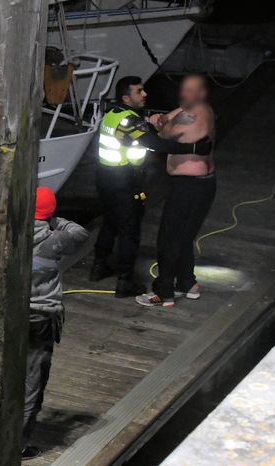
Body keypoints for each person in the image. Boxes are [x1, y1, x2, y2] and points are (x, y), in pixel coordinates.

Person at [92, 75, 214, 298]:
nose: (145, 94)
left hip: (105, 178)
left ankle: (98, 266)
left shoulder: (112, 114)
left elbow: (141, 129)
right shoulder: (130, 121)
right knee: (130, 232)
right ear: (126, 98)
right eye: (139, 91)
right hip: (124, 181)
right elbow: (155, 144)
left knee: (110, 222)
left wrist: (156, 121)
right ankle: (125, 282)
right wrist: (194, 148)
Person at [138, 74, 218, 308]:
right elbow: (167, 121)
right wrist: (163, 119)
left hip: (190, 186)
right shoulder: (190, 109)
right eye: (184, 89)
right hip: (196, 185)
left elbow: (166, 135)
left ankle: (164, 292)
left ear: (203, 94)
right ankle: (187, 283)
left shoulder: (197, 115)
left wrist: (159, 123)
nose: (185, 94)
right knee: (183, 237)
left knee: (169, 238)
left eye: (191, 90)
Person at [23, 188, 89, 459]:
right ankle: (19, 444)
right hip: (41, 317)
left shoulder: (10, 235)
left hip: (10, 316)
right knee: (33, 380)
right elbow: (80, 233)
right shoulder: (56, 239)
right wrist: (53, 219)